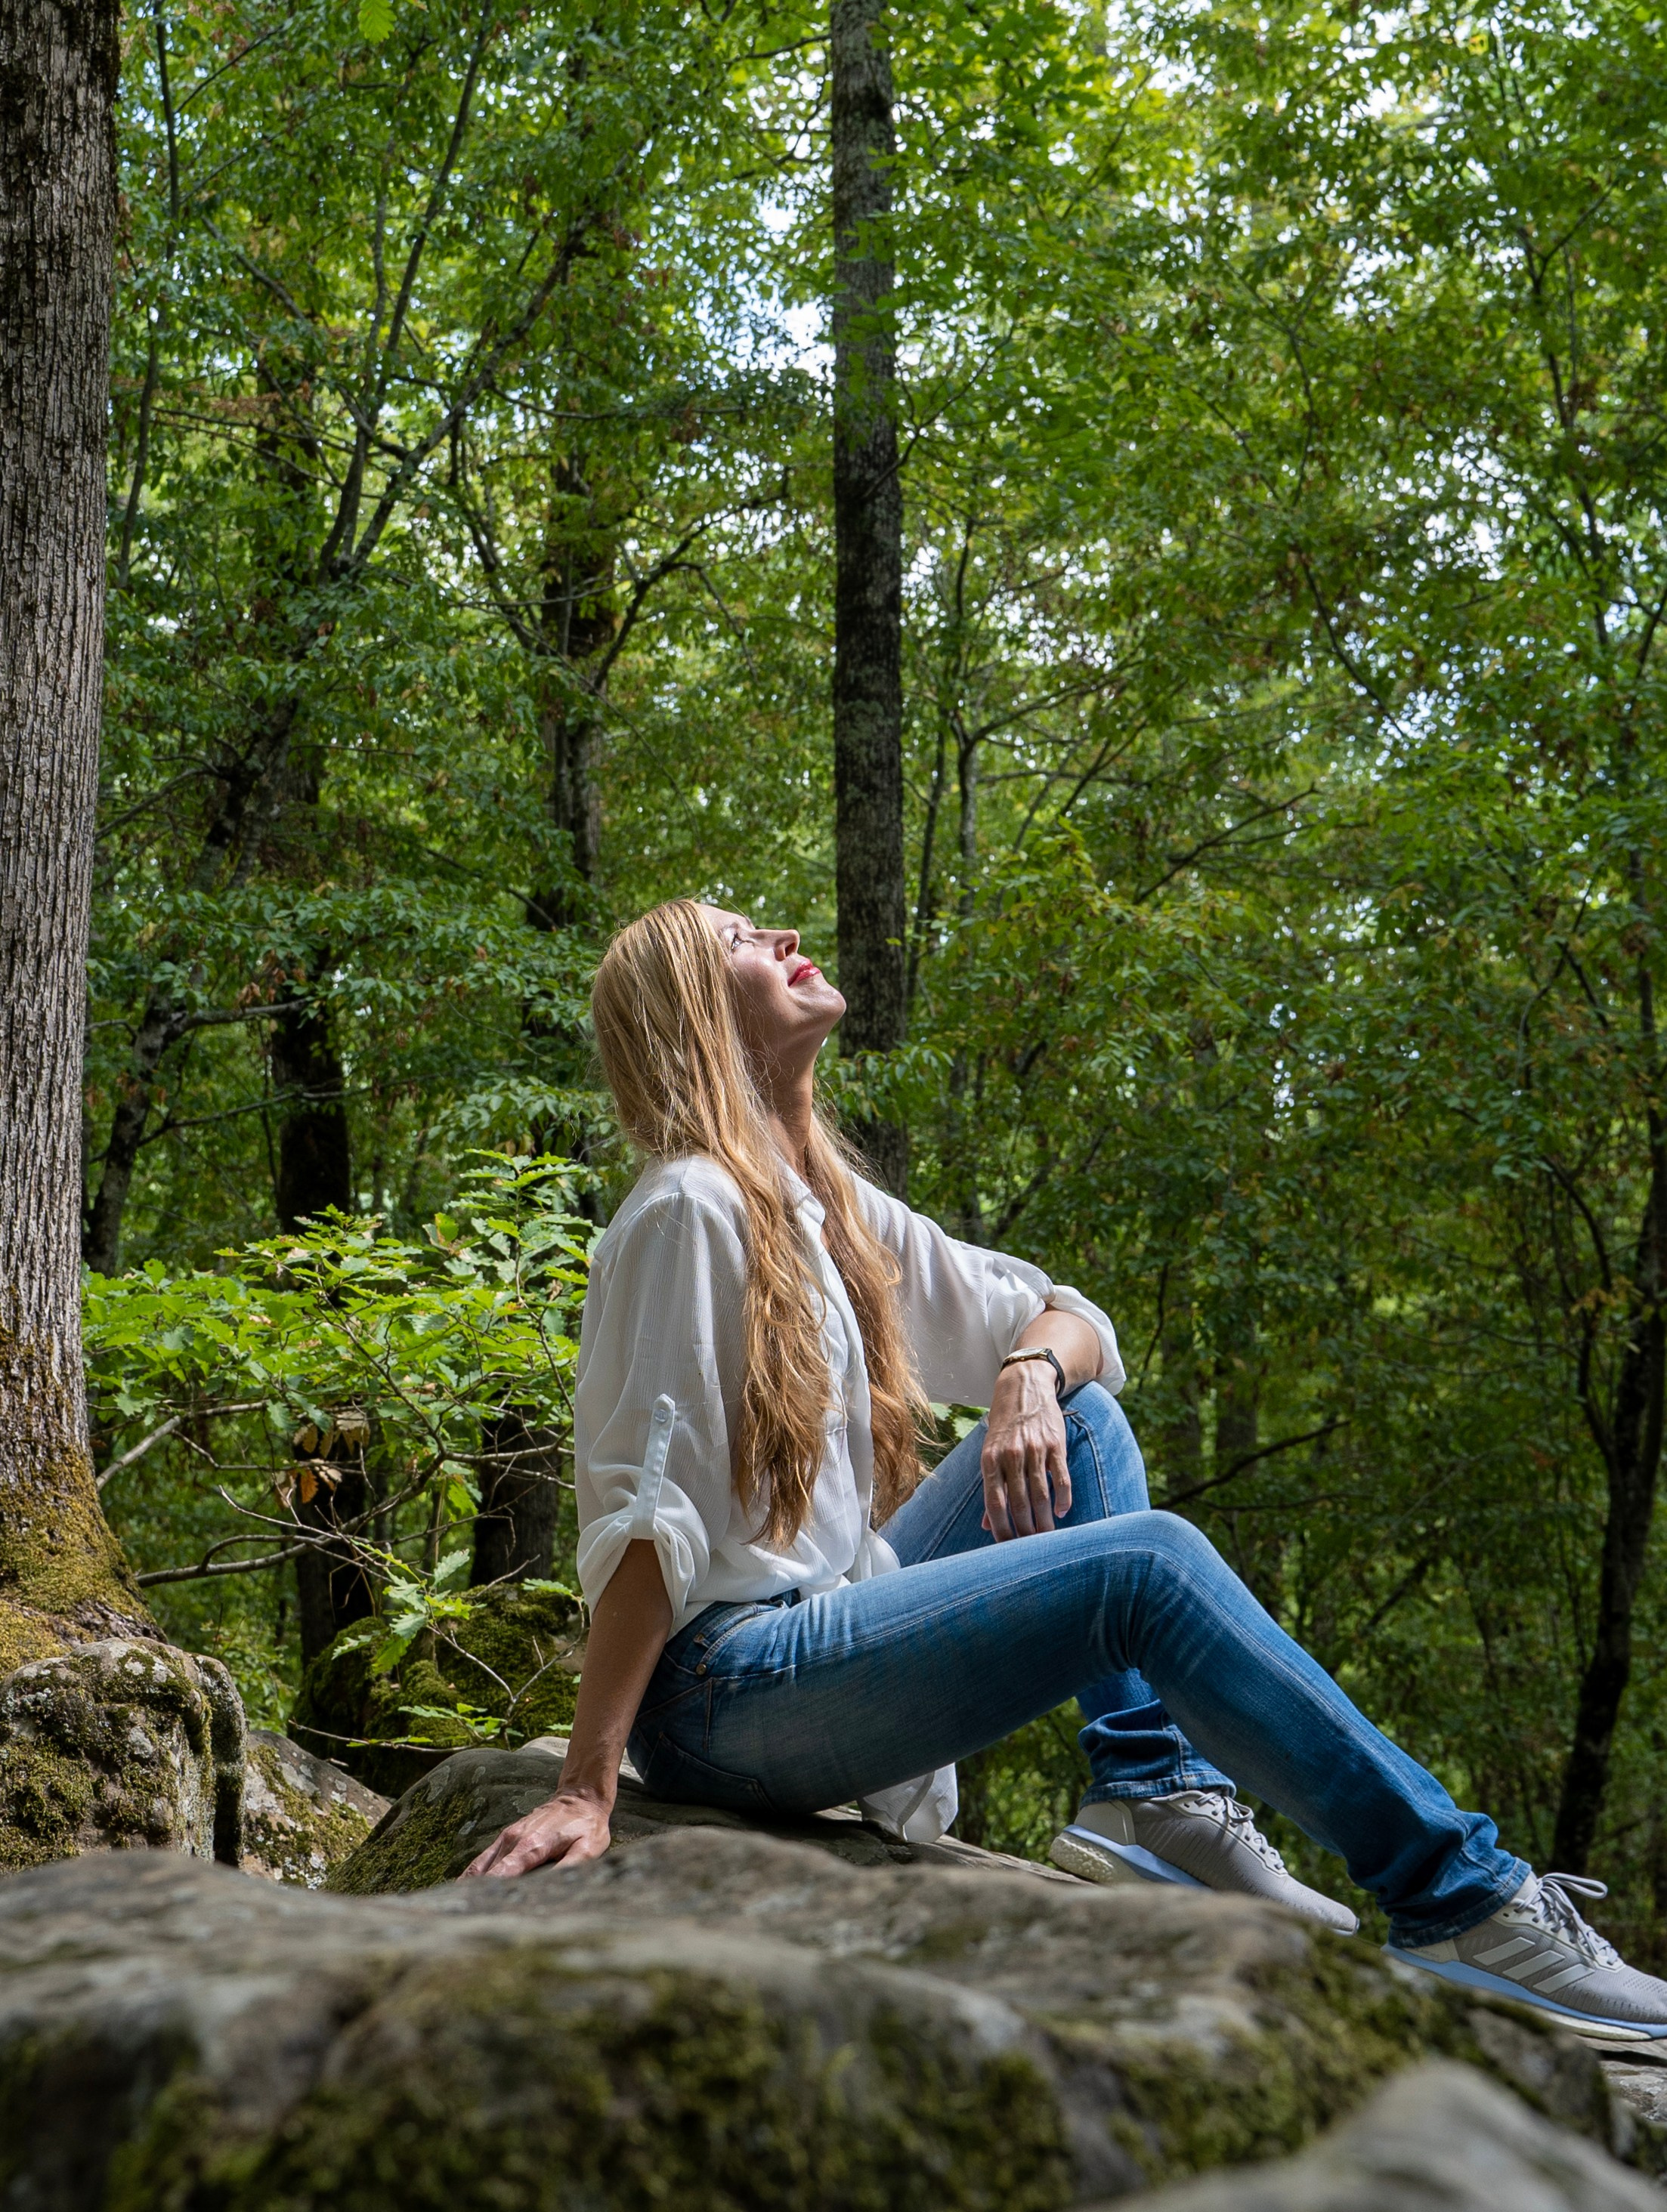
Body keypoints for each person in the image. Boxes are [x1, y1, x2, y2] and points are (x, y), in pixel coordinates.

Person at [465, 896, 1667, 2044]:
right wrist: (585, 1786)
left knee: (1077, 1418)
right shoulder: (687, 1207)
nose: (781, 934)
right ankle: (1462, 1902)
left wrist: (1027, 1375)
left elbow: (1066, 1317)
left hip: (812, 1630)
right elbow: (650, 1517)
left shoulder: (825, 1209)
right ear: (693, 1008)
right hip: (720, 1690)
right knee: (1144, 1566)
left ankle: (1150, 1795)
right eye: (738, 937)